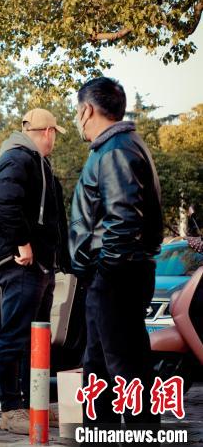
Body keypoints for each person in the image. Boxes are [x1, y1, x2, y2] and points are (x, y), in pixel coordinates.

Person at [70, 77, 163, 430]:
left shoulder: (116, 150)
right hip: (113, 273)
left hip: (115, 274)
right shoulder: (117, 147)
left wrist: (105, 270)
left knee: (123, 366)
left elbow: (124, 217)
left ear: (87, 110)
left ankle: (142, 434)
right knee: (102, 366)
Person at [0, 108, 69, 434]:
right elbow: (4, 203)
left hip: (38, 265)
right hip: (20, 263)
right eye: (54, 135)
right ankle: (11, 408)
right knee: (17, 337)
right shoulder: (18, 159)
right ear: (47, 132)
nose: (54, 141)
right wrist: (22, 244)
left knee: (37, 338)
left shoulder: (32, 161)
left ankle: (36, 406)